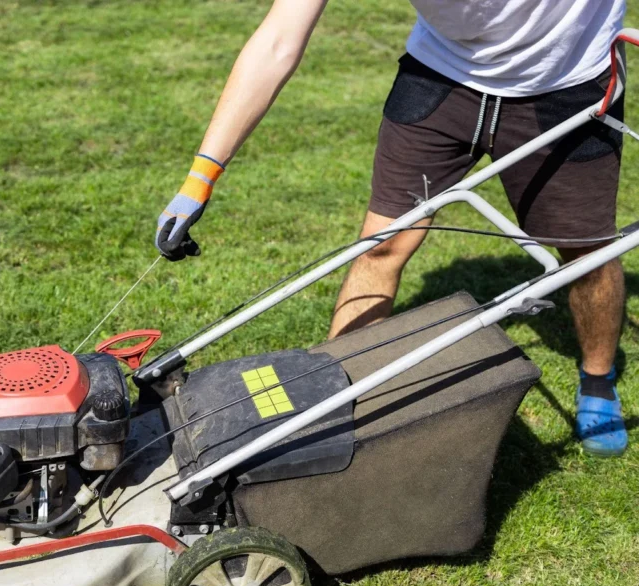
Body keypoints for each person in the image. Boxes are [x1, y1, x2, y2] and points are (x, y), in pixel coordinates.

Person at [156, 0, 630, 457]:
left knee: (584, 259)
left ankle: (596, 377)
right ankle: (332, 408)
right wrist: (201, 177)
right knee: (380, 247)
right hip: (442, 75)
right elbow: (279, 40)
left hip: (565, 83)